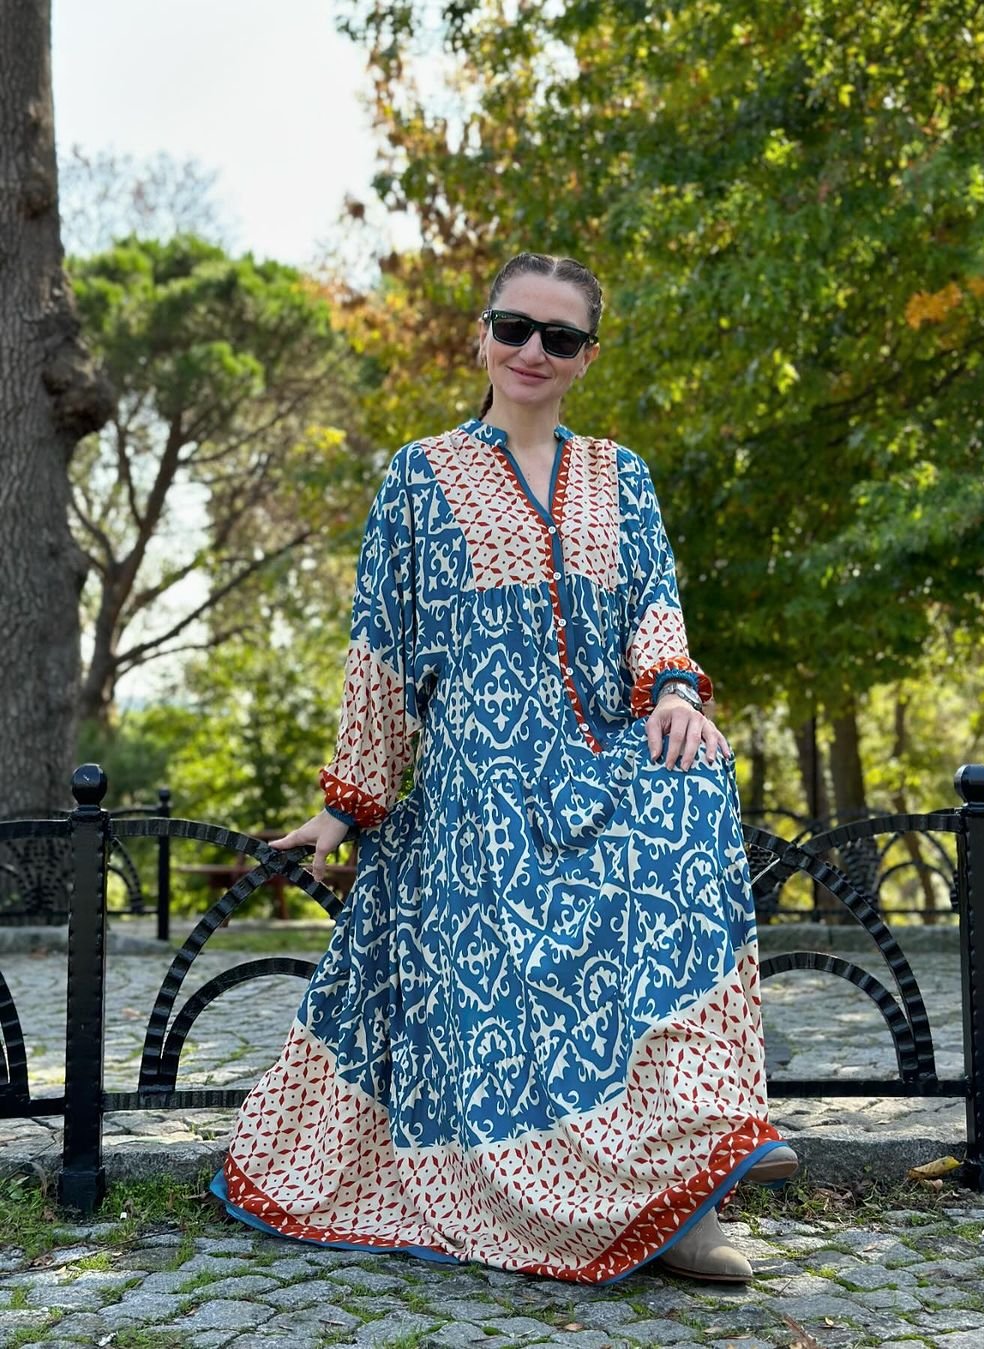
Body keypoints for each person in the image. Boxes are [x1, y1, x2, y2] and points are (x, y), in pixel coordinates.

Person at [210, 251, 796, 1284]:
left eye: (559, 337)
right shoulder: (419, 476)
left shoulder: (622, 475)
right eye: (515, 327)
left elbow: (655, 605)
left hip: (600, 750)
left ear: (586, 357)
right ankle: (608, 1199)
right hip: (479, 773)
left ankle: (696, 1163)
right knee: (514, 904)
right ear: (482, 335)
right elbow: (382, 644)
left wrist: (672, 693)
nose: (533, 350)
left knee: (695, 776)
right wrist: (349, 802)